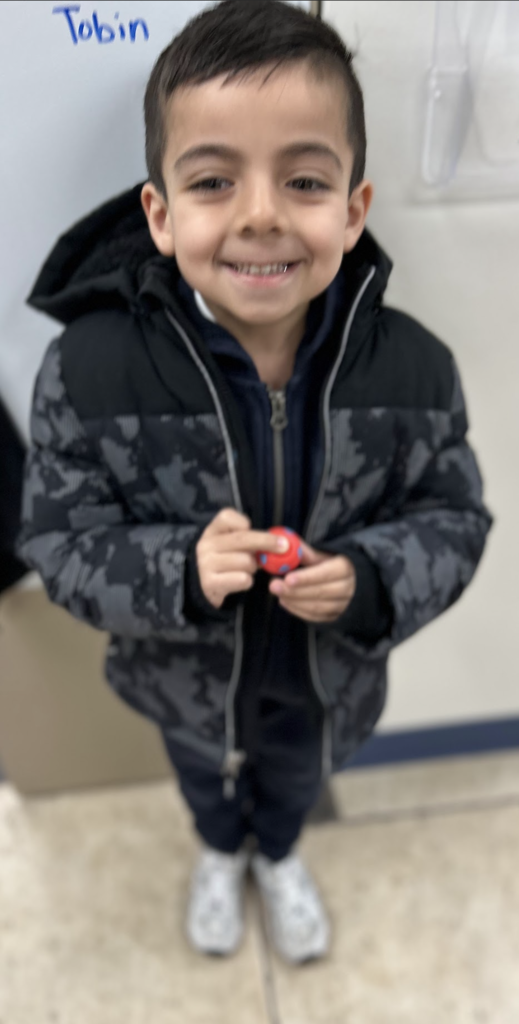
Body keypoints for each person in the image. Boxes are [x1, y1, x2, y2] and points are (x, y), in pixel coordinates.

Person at [17, 0, 492, 965]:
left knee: (291, 785)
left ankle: (273, 854)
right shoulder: (88, 369)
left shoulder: (412, 370)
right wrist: (178, 569)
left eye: (306, 178)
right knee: (202, 778)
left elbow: (455, 517)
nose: (262, 213)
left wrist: (371, 579)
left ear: (354, 208)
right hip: (178, 684)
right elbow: (55, 539)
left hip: (330, 685)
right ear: (160, 213)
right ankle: (214, 848)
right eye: (213, 180)